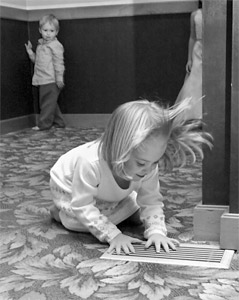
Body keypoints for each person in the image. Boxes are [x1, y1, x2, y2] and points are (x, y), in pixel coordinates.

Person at [49, 98, 212, 254]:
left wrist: (157, 232)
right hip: (70, 190)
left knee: (136, 218)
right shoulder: (89, 163)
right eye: (141, 163)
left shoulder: (147, 163)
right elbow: (83, 206)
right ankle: (59, 213)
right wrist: (114, 236)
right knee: (78, 222)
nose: (148, 169)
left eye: (155, 162)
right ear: (120, 149)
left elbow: (151, 200)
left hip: (106, 191)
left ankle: (107, 209)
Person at [25, 14, 65, 131]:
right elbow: (37, 61)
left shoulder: (56, 46)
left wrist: (59, 78)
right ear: (40, 30)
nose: (48, 33)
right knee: (50, 102)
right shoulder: (41, 45)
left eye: (51, 31)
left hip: (51, 80)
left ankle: (44, 124)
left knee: (46, 103)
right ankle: (59, 122)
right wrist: (30, 53)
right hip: (42, 79)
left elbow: (59, 63)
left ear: (56, 32)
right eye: (45, 30)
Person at [175, 1, 203, 123]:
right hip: (198, 49)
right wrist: (189, 59)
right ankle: (192, 112)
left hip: (212, 49)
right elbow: (192, 37)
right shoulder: (195, 14)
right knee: (194, 81)